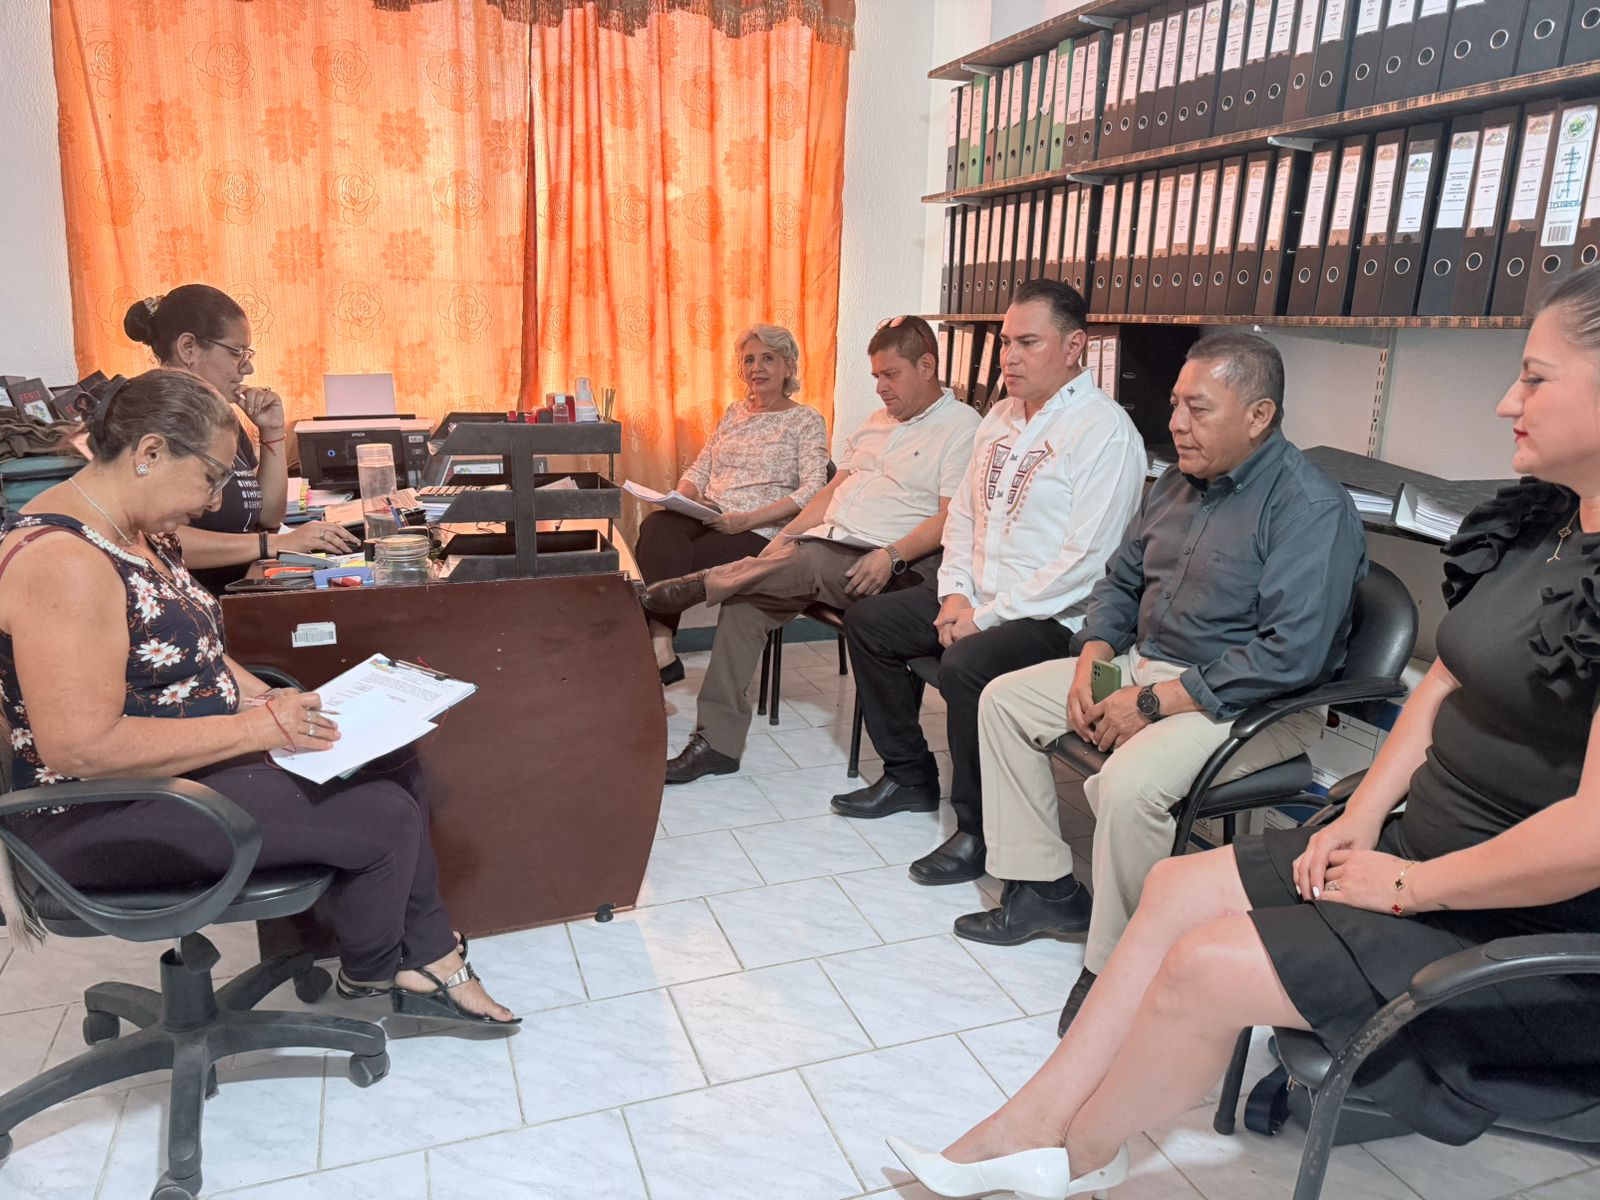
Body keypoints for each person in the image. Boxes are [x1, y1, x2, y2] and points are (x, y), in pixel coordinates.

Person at [886, 262, 1600, 1200]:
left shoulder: (1307, 508)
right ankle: (1028, 1124)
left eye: (1535, 378)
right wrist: (1360, 819)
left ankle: (1078, 1153)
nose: (1508, 400)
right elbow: (1444, 683)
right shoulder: (1538, 528)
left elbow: (1587, 836)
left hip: (1497, 906)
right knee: (1170, 882)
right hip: (1401, 838)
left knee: (1198, 951)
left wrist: (1405, 884)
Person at [0, 369, 515, 1026]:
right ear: (150, 452)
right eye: (211, 477)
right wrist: (259, 729)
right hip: (97, 810)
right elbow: (81, 748)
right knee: (382, 816)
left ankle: (417, 958)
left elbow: (194, 648)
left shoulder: (135, 531)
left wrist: (265, 699)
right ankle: (386, 970)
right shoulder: (64, 563)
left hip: (171, 769)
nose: (215, 499)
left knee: (390, 753)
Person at [956, 332, 1367, 1034]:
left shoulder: (1310, 508)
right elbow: (1120, 580)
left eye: (1197, 409)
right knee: (1004, 701)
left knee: (1128, 786)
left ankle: (1121, 967)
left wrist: (1150, 703)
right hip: (1148, 663)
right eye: (1175, 405)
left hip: (1252, 701)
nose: (1176, 423)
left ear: (1259, 416)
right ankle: (1046, 890)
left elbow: (1290, 655)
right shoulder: (1177, 482)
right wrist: (1093, 654)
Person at [831, 280, 1146, 889]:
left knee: (966, 665)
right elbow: (965, 518)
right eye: (1005, 343)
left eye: (1028, 342)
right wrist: (956, 593)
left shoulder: (1104, 433)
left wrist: (985, 617)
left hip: (1057, 618)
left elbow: (1088, 562)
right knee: (870, 622)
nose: (1010, 357)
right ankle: (908, 775)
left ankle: (977, 830)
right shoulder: (999, 417)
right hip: (979, 596)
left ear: (1075, 346)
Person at [645, 316, 981, 784]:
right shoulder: (876, 423)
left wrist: (892, 555)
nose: (880, 388)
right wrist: (780, 541)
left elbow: (952, 517)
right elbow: (828, 493)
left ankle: (702, 584)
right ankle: (716, 743)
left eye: (890, 375)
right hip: (824, 545)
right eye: (876, 376)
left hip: (886, 565)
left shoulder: (963, 427)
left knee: (810, 558)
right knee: (745, 602)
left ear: (927, 366)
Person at [124, 286, 360, 592]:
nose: (248, 367)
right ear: (188, 348)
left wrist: (272, 431)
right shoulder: (157, 420)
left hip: (240, 588)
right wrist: (270, 544)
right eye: (237, 352)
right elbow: (152, 540)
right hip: (194, 600)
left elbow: (268, 516)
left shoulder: (219, 417)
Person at [634, 324, 829, 685]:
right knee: (656, 526)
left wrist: (746, 520)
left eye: (767, 359)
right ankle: (661, 643)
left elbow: (814, 489)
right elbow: (700, 467)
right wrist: (682, 497)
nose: (756, 368)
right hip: (711, 513)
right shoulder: (734, 413)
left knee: (679, 559)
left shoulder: (805, 420)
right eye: (749, 360)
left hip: (760, 530)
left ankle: (658, 647)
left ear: (788, 365)